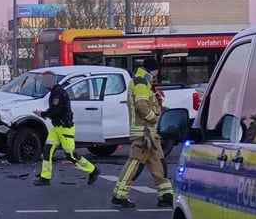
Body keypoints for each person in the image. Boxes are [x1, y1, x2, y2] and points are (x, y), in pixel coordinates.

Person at [111, 58, 174, 208]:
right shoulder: (141, 82)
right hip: (144, 133)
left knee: (158, 162)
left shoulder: (144, 81)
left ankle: (166, 195)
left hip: (149, 133)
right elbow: (141, 106)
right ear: (155, 70)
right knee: (135, 164)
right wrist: (155, 118)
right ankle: (119, 195)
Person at [32, 70, 100, 187]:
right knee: (47, 151)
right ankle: (45, 177)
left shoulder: (58, 93)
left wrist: (42, 114)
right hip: (57, 127)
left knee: (70, 155)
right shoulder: (54, 91)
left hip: (65, 128)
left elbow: (55, 110)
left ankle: (93, 170)